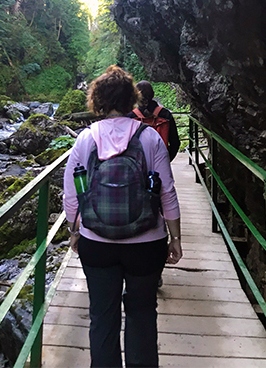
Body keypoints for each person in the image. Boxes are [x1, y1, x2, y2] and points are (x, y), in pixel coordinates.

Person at [63, 65, 183, 368]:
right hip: (147, 243)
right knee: (142, 313)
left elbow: (72, 195)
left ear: (98, 101)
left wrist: (74, 232)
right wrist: (176, 238)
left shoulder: (85, 139)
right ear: (133, 100)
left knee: (102, 317)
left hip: (97, 243)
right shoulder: (150, 138)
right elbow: (166, 191)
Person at [130, 80, 181, 161]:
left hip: (137, 163)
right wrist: (166, 160)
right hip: (160, 159)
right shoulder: (165, 114)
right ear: (153, 94)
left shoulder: (131, 116)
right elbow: (175, 143)